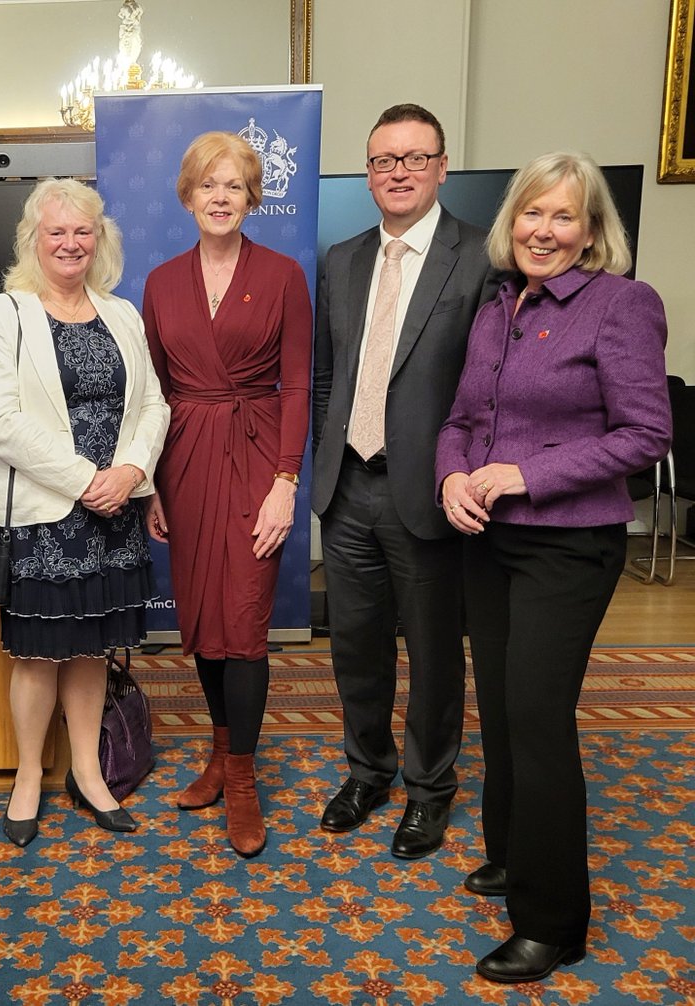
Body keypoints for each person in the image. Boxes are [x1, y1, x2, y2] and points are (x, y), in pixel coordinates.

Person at [438, 151, 670, 984]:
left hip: (569, 545)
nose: (544, 230)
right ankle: (511, 856)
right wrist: (453, 474)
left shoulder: (622, 304)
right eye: (533, 213)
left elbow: (646, 433)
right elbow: (464, 417)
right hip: (490, 541)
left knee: (537, 720)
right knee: (499, 710)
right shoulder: (499, 305)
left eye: (563, 216)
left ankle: (551, 922)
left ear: (593, 230)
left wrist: (529, 473)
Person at [311, 103, 500, 859]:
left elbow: (488, 387)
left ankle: (429, 790)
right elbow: (329, 376)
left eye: (414, 158)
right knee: (354, 645)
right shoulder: (343, 258)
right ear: (368, 173)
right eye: (385, 161)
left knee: (431, 652)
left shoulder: (483, 255)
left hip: (429, 490)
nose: (399, 172)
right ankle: (369, 771)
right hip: (348, 485)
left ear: (442, 167)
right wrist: (328, 454)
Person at [0, 178, 169, 848]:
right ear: (33, 238)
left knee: (91, 648)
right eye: (56, 230)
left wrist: (132, 471)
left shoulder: (123, 315)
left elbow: (153, 407)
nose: (70, 242)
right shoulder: (0, 314)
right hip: (44, 510)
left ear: (100, 239)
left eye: (83, 230)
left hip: (113, 509)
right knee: (38, 656)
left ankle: (87, 769)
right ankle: (30, 775)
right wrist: (90, 480)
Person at [142, 131, 312, 858]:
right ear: (188, 197)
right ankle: (219, 750)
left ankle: (241, 778)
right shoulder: (159, 282)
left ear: (252, 198)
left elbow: (299, 383)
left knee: (243, 620)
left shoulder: (281, 276)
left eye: (234, 185)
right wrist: (150, 479)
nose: (220, 197)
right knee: (205, 616)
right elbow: (152, 392)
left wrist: (285, 482)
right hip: (183, 460)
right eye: (208, 185)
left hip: (255, 455)